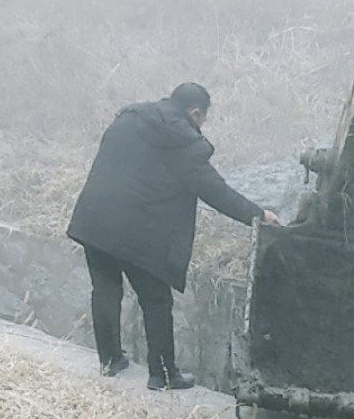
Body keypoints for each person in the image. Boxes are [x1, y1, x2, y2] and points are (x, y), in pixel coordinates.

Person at [67, 82, 280, 390]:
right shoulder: (182, 141)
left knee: (105, 290)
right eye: (203, 120)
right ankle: (163, 375)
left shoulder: (130, 117)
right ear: (195, 112)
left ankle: (110, 360)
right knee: (156, 300)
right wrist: (258, 214)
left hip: (95, 219)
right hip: (135, 232)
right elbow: (216, 191)